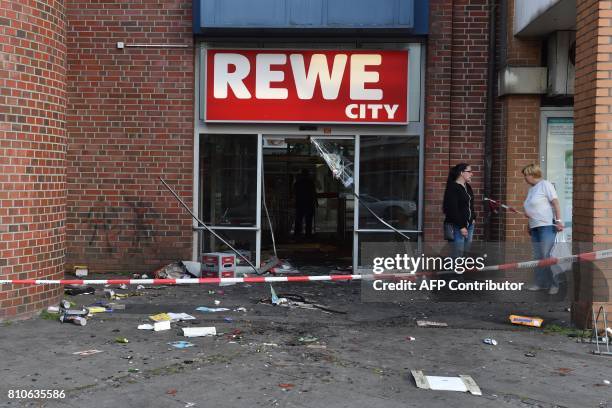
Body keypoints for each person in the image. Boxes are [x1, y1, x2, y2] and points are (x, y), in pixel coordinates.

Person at [522, 164, 564, 295]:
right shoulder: (531, 190)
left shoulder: (545, 184)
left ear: (532, 174)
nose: (525, 178)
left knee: (547, 255)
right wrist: (529, 224)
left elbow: (556, 203)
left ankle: (555, 284)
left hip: (546, 226)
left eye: (526, 175)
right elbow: (532, 208)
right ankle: (540, 283)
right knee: (538, 256)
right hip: (535, 227)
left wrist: (558, 221)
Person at [443, 163, 476, 259]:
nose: (472, 174)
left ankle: (460, 273)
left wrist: (473, 218)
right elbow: (452, 209)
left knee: (465, 254)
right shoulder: (453, 188)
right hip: (457, 227)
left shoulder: (468, 187)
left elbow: (470, 205)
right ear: (462, 173)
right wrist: (462, 226)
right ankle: (454, 273)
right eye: (469, 171)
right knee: (457, 255)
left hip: (469, 226)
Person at [294, 169, 317, 237]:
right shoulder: (310, 183)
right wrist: (315, 202)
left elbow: (294, 193)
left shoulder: (298, 183)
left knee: (298, 219)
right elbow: (313, 194)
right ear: (307, 174)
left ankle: (297, 234)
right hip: (308, 204)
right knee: (308, 220)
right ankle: (308, 234)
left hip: (300, 204)